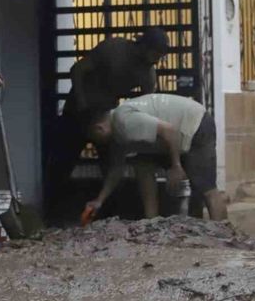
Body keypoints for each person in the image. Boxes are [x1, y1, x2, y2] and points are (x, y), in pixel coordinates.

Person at [47, 28, 170, 209]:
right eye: (156, 54)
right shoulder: (113, 49)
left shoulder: (147, 74)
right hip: (79, 110)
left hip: (106, 114)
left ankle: (108, 213)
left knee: (113, 164)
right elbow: (78, 69)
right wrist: (82, 102)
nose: (158, 60)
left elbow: (146, 104)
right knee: (62, 161)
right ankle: (52, 209)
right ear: (144, 46)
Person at [84, 93, 228, 221]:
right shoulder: (118, 135)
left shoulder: (123, 121)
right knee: (142, 164)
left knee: (206, 186)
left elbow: (169, 131)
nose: (97, 145)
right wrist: (99, 200)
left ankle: (224, 237)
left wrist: (175, 166)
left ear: (100, 128)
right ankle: (152, 222)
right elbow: (116, 169)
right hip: (174, 135)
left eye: (95, 140)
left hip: (195, 123)